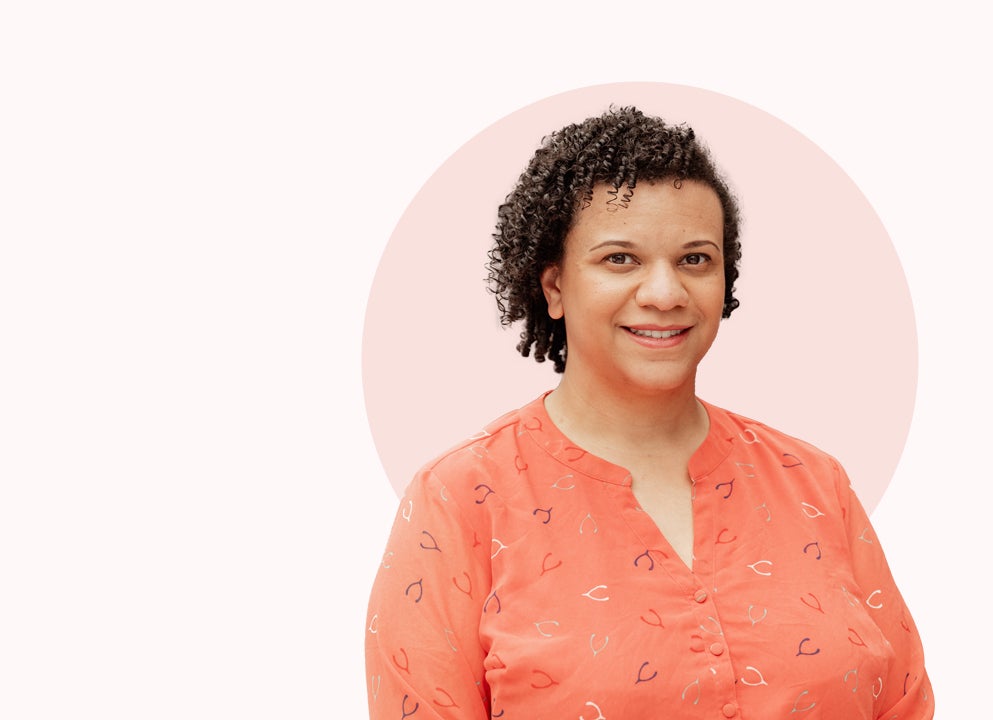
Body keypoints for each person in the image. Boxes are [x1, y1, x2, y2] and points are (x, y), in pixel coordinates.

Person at [365, 107, 933, 719]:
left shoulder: (814, 482)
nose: (665, 294)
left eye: (695, 259)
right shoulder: (461, 498)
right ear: (554, 287)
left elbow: (904, 702)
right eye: (620, 259)